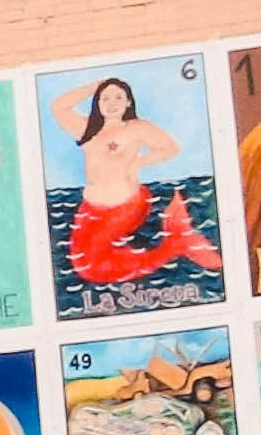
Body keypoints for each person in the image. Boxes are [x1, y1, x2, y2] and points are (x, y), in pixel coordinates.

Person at [60, 78, 221, 293]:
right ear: (97, 102)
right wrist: (94, 87)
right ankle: (174, 245)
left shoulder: (136, 128)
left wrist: (140, 162)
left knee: (93, 266)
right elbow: (59, 107)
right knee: (84, 267)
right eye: (105, 98)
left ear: (128, 101)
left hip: (125, 205)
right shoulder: (87, 128)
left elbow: (170, 147)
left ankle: (176, 244)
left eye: (118, 97)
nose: (111, 103)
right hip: (91, 209)